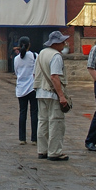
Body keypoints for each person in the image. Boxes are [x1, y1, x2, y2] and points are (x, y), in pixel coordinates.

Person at [34, 31, 70, 161]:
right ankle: (54, 151)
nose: (64, 44)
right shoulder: (56, 56)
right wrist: (61, 96)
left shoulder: (41, 53)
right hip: (52, 93)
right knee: (56, 122)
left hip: (40, 92)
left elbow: (35, 74)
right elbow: (54, 77)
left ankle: (42, 150)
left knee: (42, 121)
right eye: (62, 42)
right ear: (56, 43)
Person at [14, 36, 38, 145]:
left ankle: (22, 138)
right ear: (29, 45)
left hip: (21, 88)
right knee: (34, 113)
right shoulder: (34, 56)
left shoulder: (16, 58)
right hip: (32, 87)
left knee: (22, 112)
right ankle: (34, 138)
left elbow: (16, 72)